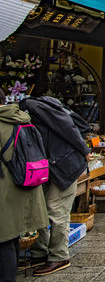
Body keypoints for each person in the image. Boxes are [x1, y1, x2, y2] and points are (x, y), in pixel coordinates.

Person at [20, 96, 93, 275]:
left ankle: (59, 256)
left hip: (65, 165)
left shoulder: (32, 106)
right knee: (40, 209)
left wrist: (84, 150)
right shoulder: (25, 110)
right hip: (48, 166)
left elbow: (66, 126)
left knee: (56, 210)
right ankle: (39, 253)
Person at [0, 88, 48, 279]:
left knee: (3, 240)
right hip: (23, 187)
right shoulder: (21, 118)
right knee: (11, 238)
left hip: (4, 191)